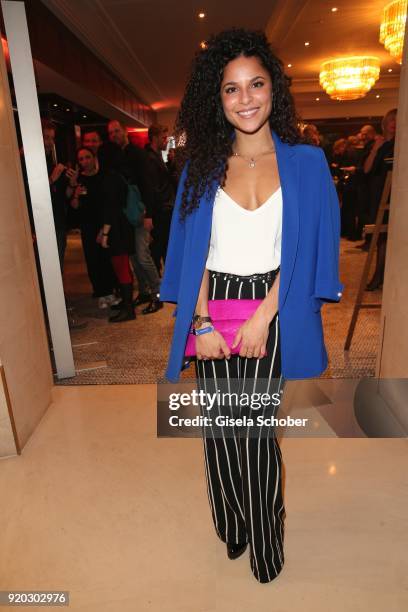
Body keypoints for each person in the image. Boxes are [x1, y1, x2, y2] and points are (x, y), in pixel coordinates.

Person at [159, 28, 343, 584]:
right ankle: (231, 522)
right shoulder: (201, 168)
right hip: (214, 304)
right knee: (220, 430)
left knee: (257, 432)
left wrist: (266, 315)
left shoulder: (307, 164)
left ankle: (268, 537)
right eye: (231, 89)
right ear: (216, 100)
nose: (246, 99)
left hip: (274, 301)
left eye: (255, 84)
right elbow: (194, 255)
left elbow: (308, 246)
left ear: (273, 89)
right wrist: (202, 321)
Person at [107, 120, 162, 314]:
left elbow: (149, 185)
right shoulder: (113, 156)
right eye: (111, 133)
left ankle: (157, 294)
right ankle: (145, 291)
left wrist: (149, 214)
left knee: (142, 255)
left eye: (117, 131)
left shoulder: (138, 154)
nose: (114, 135)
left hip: (140, 212)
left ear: (124, 131)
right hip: (125, 215)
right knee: (134, 257)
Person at [67, 147, 119, 308]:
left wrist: (104, 228)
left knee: (107, 259)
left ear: (93, 158)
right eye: (81, 159)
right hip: (87, 226)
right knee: (92, 260)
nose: (84, 161)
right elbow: (74, 206)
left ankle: (111, 291)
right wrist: (75, 191)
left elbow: (108, 203)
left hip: (103, 225)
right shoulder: (78, 180)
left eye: (87, 157)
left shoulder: (102, 176)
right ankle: (101, 293)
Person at [363, 109, 397, 291]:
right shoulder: (377, 144)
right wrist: (375, 149)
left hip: (393, 194)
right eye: (391, 119)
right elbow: (367, 169)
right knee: (380, 237)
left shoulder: (400, 144)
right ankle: (379, 276)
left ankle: (380, 276)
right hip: (376, 194)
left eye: (398, 120)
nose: (394, 123)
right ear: (385, 122)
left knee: (388, 238)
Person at [144, 124, 176, 276]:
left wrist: (171, 163)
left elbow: (164, 181)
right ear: (154, 138)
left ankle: (162, 284)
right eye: (163, 138)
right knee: (159, 248)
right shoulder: (150, 158)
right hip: (161, 210)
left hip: (164, 208)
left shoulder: (156, 156)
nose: (166, 142)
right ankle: (158, 285)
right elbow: (151, 188)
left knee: (163, 248)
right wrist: (149, 215)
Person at [41, 119, 69, 271]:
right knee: (49, 265)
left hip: (58, 219)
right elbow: (30, 190)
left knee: (59, 260)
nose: (50, 142)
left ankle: (57, 294)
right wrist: (52, 178)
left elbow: (62, 194)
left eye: (52, 138)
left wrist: (71, 182)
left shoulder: (51, 160)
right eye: (46, 137)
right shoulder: (30, 160)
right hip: (43, 221)